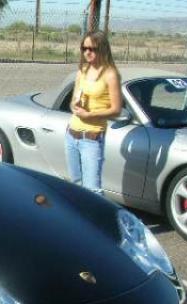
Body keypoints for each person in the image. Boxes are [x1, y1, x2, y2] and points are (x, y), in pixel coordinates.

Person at [66, 31, 122, 195]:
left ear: (102, 49)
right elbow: (73, 100)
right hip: (71, 135)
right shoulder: (82, 70)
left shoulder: (110, 75)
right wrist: (74, 105)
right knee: (75, 185)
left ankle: (97, 220)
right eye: (84, 48)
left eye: (92, 48)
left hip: (91, 138)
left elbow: (116, 110)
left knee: (93, 190)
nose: (87, 52)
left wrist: (89, 116)